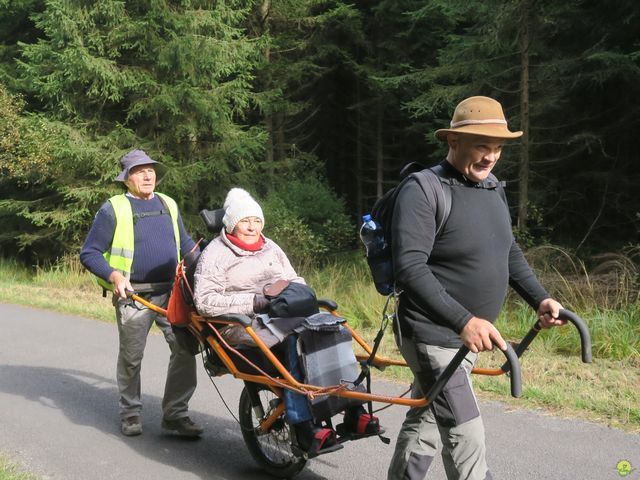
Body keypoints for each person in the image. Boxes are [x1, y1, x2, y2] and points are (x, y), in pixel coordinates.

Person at [386, 96, 566, 480]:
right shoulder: (423, 189)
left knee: (428, 420)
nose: (491, 157)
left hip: (469, 336)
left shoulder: (492, 187)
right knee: (467, 432)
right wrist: (463, 320)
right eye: (483, 146)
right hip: (432, 334)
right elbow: (410, 269)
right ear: (453, 142)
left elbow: (508, 251)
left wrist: (541, 298)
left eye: (498, 148)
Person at [193, 187, 380, 456]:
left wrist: (296, 296)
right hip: (241, 322)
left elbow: (294, 279)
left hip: (282, 314)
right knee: (296, 340)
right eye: (245, 221)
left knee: (329, 328)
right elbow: (205, 302)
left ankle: (355, 411)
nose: (252, 227)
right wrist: (253, 302)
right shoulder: (215, 254)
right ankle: (304, 428)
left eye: (256, 221)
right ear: (232, 224)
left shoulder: (270, 247)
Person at [80, 149, 203, 438]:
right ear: (127, 179)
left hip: (173, 293)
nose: (148, 175)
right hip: (134, 296)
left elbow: (185, 244)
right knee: (132, 357)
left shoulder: (168, 203)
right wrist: (113, 275)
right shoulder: (114, 208)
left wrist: (208, 263)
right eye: (139, 171)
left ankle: (175, 414)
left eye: (150, 169)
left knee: (185, 350)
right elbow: (89, 252)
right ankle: (131, 413)